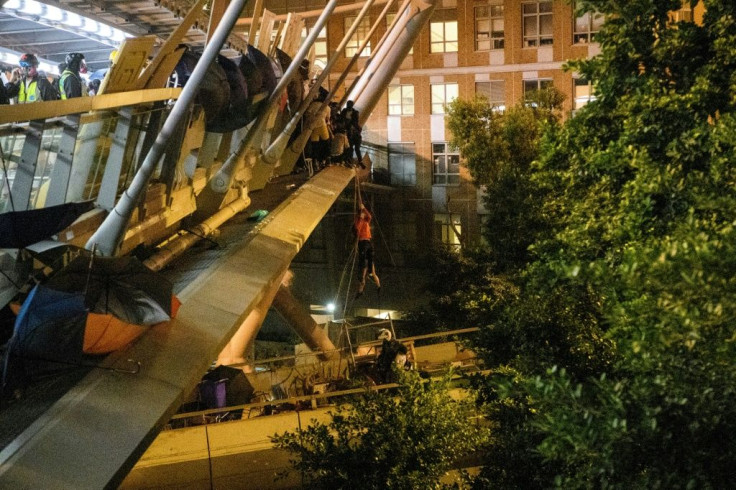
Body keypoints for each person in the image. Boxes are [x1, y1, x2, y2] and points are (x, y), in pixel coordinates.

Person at [354, 200, 380, 298]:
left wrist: (363, 208)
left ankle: (378, 287)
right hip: (362, 241)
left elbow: (369, 216)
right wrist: (360, 218)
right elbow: (357, 228)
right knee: (364, 273)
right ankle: (361, 291)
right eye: (362, 214)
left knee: (371, 268)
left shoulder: (366, 220)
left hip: (368, 241)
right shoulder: (358, 221)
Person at [341, 100, 364, 169]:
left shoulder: (355, 112)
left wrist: (350, 125)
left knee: (356, 148)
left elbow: (355, 121)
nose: (348, 106)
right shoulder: (344, 111)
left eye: (349, 105)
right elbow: (342, 118)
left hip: (352, 131)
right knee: (350, 147)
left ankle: (360, 161)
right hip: (347, 129)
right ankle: (350, 160)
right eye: (348, 105)